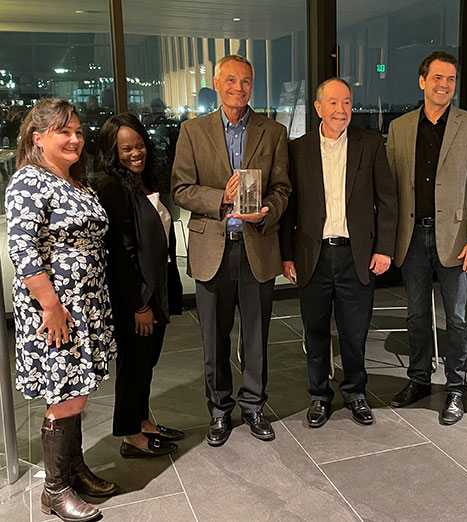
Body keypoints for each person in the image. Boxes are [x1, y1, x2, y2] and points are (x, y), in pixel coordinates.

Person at [5, 98, 118, 522]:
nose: (74, 139)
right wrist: (50, 306)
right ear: (38, 138)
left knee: (77, 391)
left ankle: (73, 470)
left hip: (85, 304)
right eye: (62, 132)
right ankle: (54, 490)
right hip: (56, 309)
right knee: (65, 395)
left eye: (77, 131)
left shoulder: (74, 181)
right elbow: (22, 249)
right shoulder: (29, 182)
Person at [172, 54, 290, 446]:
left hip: (257, 246)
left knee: (256, 336)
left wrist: (269, 211)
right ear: (217, 83)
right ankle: (220, 411)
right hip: (213, 251)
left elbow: (283, 188)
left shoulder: (272, 131)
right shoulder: (193, 131)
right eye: (232, 81)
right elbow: (181, 189)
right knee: (215, 339)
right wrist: (220, 197)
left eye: (246, 82)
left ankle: (254, 406)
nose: (239, 88)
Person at [280, 78, 397, 427]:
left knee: (354, 332)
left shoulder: (371, 144)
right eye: (333, 103)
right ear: (318, 108)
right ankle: (318, 396)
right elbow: (290, 208)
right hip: (312, 256)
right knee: (315, 331)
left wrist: (385, 249)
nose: (341, 110)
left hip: (356, 256)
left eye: (346, 103)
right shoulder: (298, 150)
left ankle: (355, 393)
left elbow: (387, 201)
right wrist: (286, 255)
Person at [387, 51, 467, 425]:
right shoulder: (400, 128)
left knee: (458, 318)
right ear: (422, 81)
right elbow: (392, 188)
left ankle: (456, 389)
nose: (444, 85)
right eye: (437, 78)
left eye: (450, 79)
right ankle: (418, 380)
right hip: (412, 236)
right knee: (415, 315)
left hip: (458, 238)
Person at [97, 113, 184, 456]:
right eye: (126, 148)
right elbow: (121, 255)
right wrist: (140, 305)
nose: (137, 152)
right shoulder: (112, 188)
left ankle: (143, 421)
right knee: (133, 367)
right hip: (137, 298)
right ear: (111, 152)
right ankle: (131, 435)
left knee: (146, 363)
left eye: (140, 145)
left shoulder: (144, 180)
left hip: (157, 288)